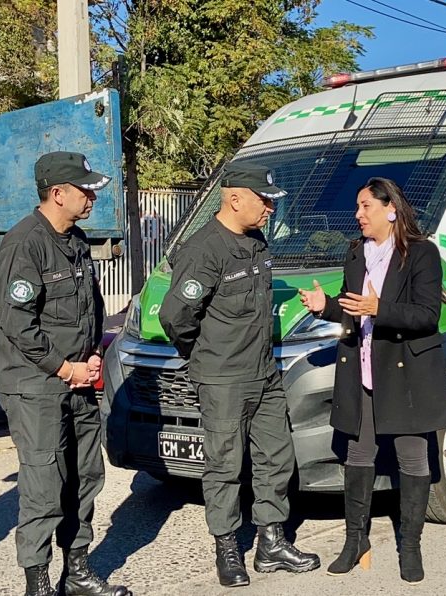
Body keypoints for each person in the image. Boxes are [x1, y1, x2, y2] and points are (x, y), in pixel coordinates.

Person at [159, 161, 320, 588]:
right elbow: (175, 316)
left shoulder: (257, 243)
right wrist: (205, 357)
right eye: (264, 200)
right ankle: (227, 547)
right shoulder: (204, 249)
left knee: (275, 457)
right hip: (223, 378)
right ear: (235, 198)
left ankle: (271, 541)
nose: (270, 208)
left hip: (263, 372)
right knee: (225, 465)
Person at [299, 177, 446, 584]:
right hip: (362, 369)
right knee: (357, 454)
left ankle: (411, 545)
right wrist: (326, 308)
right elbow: (354, 311)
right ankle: (355, 542)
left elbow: (426, 315)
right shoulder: (356, 253)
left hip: (405, 370)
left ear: (390, 209)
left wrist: (379, 307)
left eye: (365, 206)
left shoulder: (421, 253)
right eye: (358, 206)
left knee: (412, 458)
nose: (358, 215)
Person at [0, 152, 131, 596]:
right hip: (37, 384)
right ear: (57, 193)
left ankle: (77, 572)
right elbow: (18, 324)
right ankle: (38, 581)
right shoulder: (24, 244)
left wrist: (91, 355)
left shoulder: (75, 240)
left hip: (77, 380)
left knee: (85, 475)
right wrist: (64, 366)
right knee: (44, 481)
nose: (92, 196)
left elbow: (90, 307)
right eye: (84, 189)